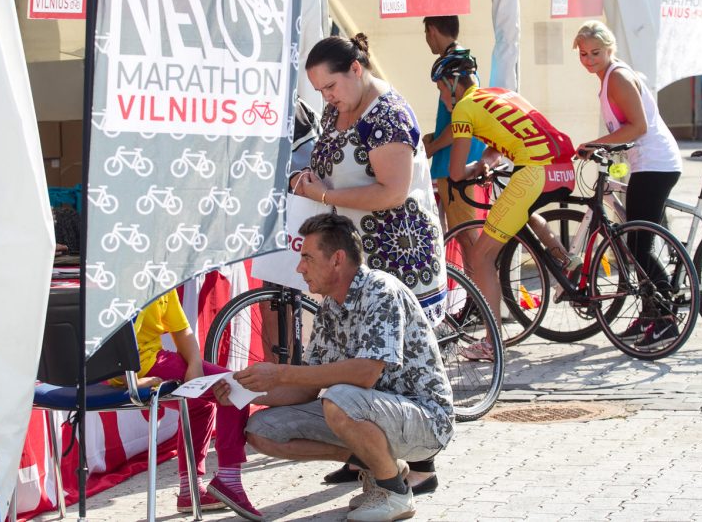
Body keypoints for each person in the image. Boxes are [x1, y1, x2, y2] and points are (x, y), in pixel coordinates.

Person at [213, 213, 454, 522]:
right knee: (262, 432)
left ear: (337, 259)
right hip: (374, 412)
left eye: (307, 258)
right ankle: (381, 469)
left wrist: (280, 372)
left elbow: (366, 374)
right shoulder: (330, 306)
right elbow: (307, 387)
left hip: (428, 421)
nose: (299, 267)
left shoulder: (381, 290)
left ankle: (395, 493)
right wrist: (244, 391)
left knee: (339, 398)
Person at [291, 33, 447, 492]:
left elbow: (391, 192)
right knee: (356, 349)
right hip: (357, 249)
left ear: (356, 70)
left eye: (331, 87)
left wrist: (323, 194)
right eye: (319, 91)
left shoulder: (387, 115)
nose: (327, 97)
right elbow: (327, 160)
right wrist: (310, 178)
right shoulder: (340, 107)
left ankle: (422, 468)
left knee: (397, 362)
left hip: (396, 250)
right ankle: (365, 454)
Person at [432, 48, 577, 360]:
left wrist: (470, 170)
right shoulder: (500, 94)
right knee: (518, 217)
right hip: (563, 169)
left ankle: (491, 342)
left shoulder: (463, 110)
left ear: (453, 83)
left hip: (534, 173)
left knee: (482, 257)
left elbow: (456, 172)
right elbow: (500, 144)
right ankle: (566, 264)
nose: (443, 97)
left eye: (442, 89)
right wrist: (484, 162)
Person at [573, 20, 684, 349]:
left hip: (655, 164)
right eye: (583, 53)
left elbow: (637, 127)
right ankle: (650, 315)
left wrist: (594, 144)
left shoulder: (617, 77)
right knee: (638, 243)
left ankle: (666, 320)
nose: (589, 58)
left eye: (596, 52)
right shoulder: (608, 77)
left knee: (639, 246)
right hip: (647, 163)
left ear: (610, 50)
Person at [114, 290, 262, 520]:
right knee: (235, 389)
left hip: (148, 363)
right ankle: (229, 480)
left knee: (199, 406)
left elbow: (182, 329)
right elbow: (106, 338)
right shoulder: (128, 277)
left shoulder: (161, 275)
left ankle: (189, 490)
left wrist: (194, 364)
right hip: (140, 368)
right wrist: (130, 380)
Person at [420, 16, 485, 236]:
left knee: (468, 240)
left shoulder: (456, 67)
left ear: (432, 31)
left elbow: (462, 121)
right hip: (456, 163)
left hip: (457, 165)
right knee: (459, 238)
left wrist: (433, 146)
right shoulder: (461, 61)